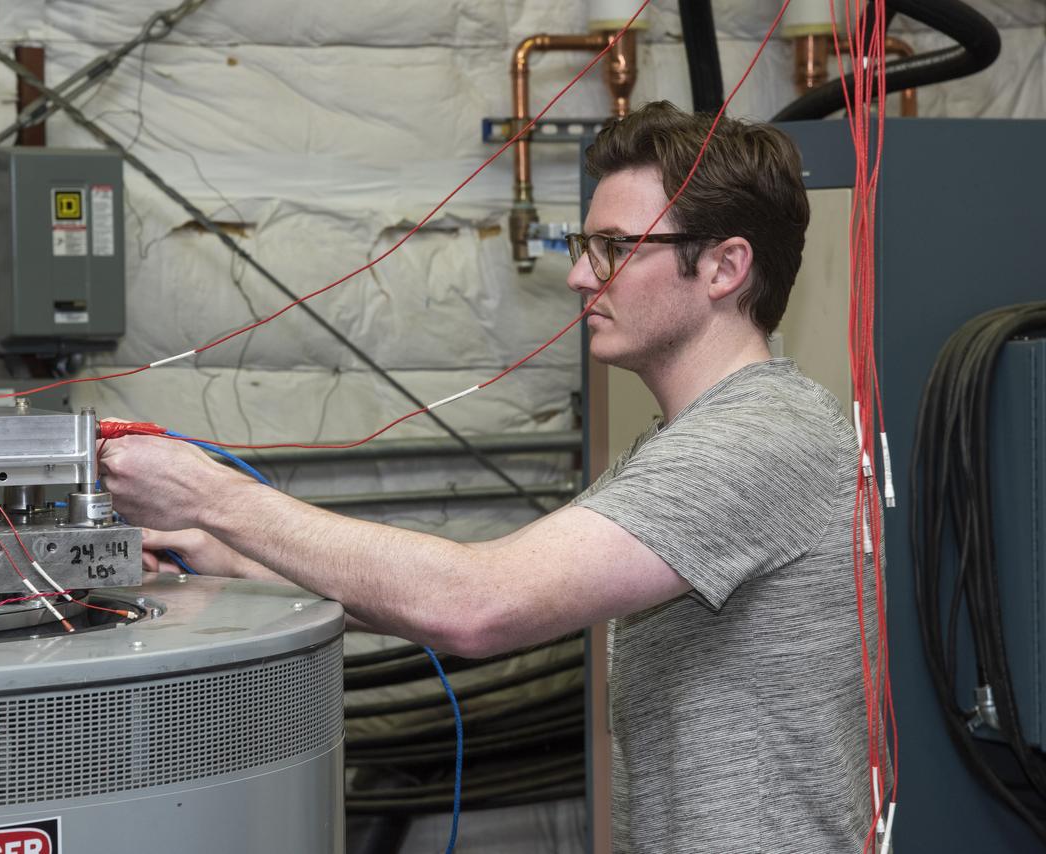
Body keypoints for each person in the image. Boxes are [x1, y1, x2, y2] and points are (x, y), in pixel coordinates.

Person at [98, 101, 878, 853]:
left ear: (723, 267)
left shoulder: (761, 440)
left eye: (613, 246)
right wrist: (220, 553)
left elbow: (478, 603)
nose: (579, 275)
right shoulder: (685, 442)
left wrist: (217, 496)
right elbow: (468, 585)